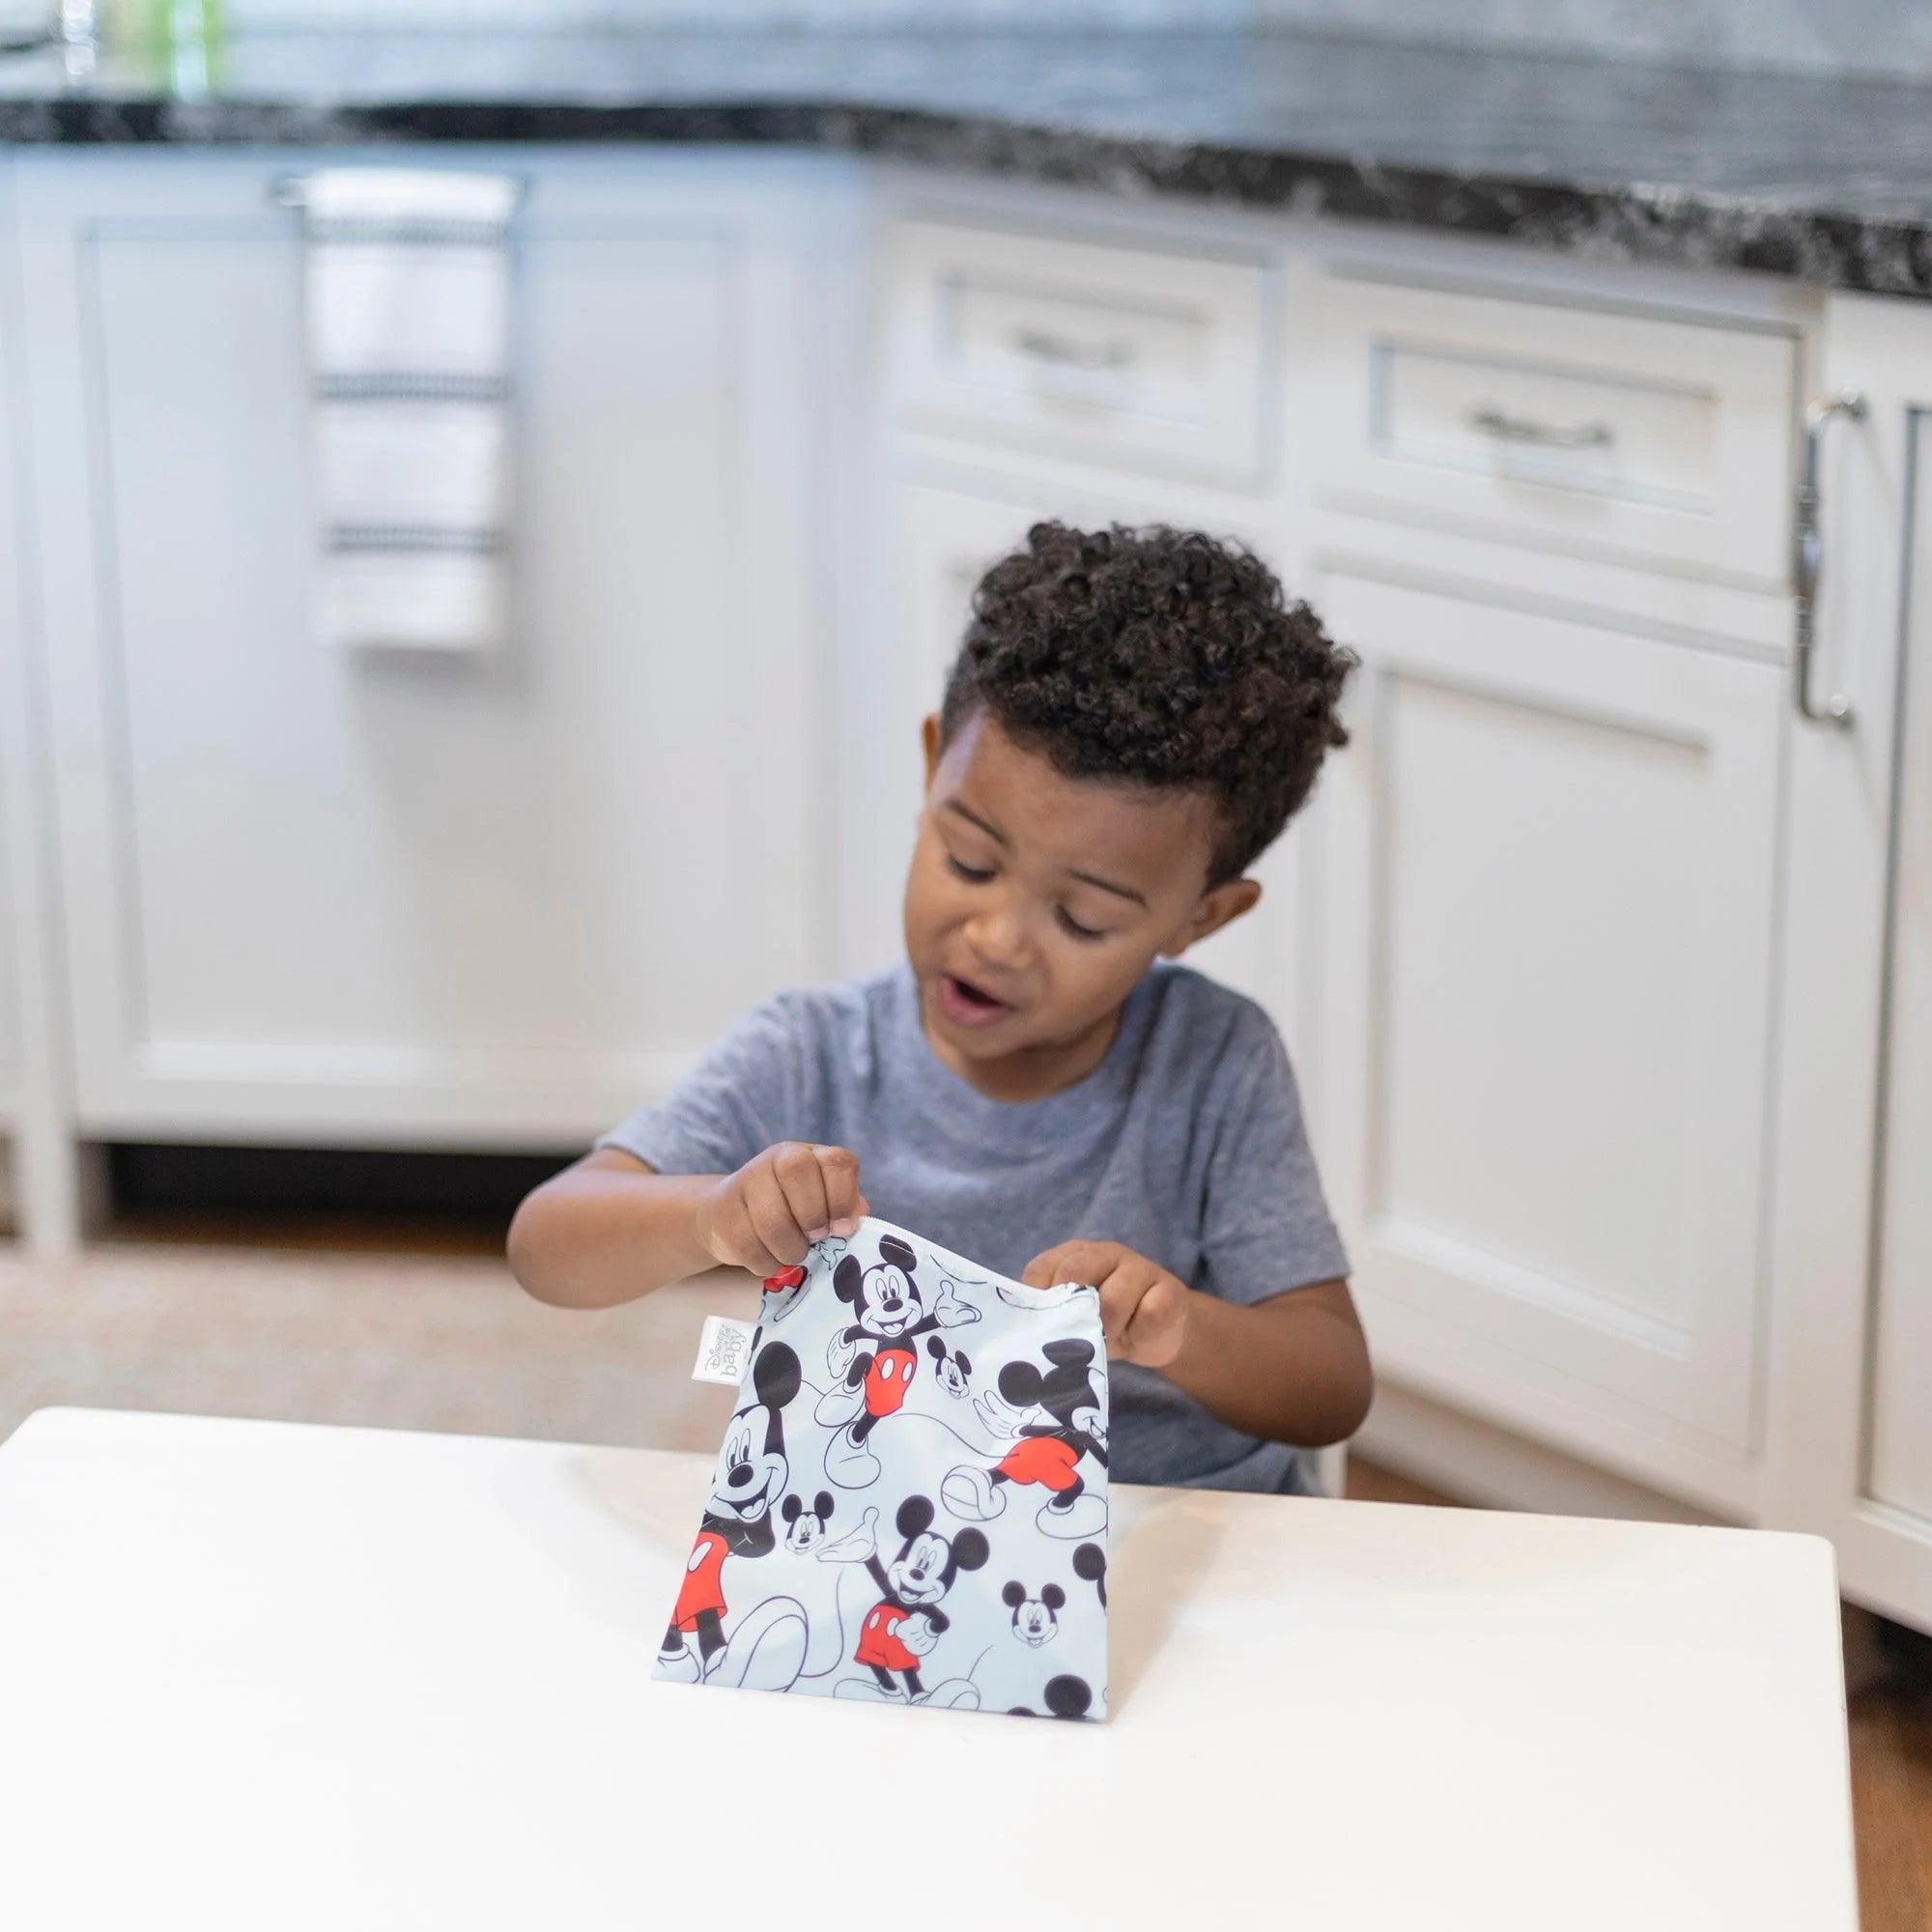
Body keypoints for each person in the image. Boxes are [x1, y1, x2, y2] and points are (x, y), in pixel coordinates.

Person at [509, 522, 1372, 1494]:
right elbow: (547, 1243)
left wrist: (1181, 1329)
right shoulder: (814, 1051)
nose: (996, 937)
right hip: (890, 1536)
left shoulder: (1214, 1061)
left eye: (1081, 917)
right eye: (968, 860)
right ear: (931, 768)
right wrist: (707, 1216)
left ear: (1199, 916)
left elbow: (1330, 1386)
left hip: (1173, 1522)